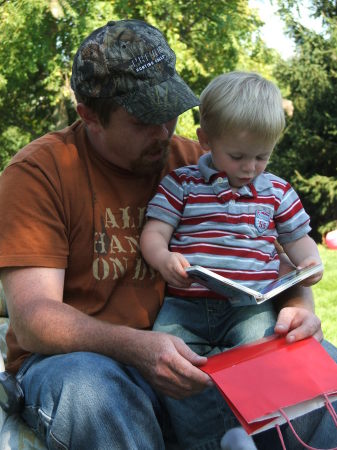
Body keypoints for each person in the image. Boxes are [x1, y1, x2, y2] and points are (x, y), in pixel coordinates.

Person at [0, 19, 334, 450]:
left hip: (197, 353)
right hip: (84, 361)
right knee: (94, 393)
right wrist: (138, 347)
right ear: (89, 117)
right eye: (144, 120)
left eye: (170, 110)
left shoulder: (200, 162)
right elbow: (32, 320)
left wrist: (300, 306)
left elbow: (272, 255)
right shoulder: (38, 175)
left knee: (318, 378)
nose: (164, 131)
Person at [140, 72, 327, 449]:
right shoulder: (182, 183)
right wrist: (164, 259)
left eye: (262, 156)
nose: (250, 168)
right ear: (205, 140)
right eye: (238, 156)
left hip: (248, 307)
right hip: (185, 305)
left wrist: (310, 267)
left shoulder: (276, 191)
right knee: (178, 367)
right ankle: (209, 443)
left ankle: (253, 431)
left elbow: (299, 243)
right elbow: (153, 234)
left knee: (263, 357)